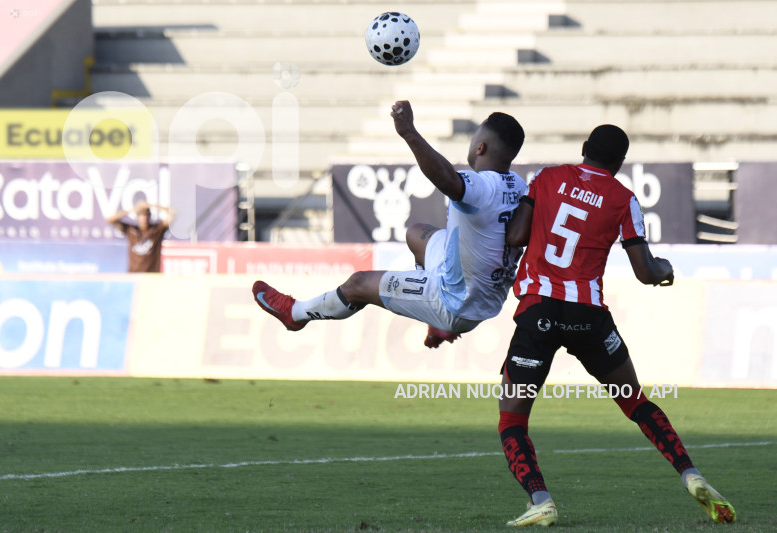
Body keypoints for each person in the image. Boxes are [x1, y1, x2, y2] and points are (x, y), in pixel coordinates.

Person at [498, 125, 736, 527]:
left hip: (538, 312)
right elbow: (645, 271)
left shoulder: (546, 178)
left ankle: (541, 500)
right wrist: (665, 271)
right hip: (589, 317)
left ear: (585, 149)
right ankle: (689, 473)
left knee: (513, 419)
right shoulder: (624, 199)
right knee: (634, 400)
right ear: (619, 163)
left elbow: (516, 236)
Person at [253, 100, 527, 348]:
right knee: (417, 233)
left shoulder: (481, 186)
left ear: (480, 147)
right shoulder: (518, 186)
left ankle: (295, 314)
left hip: (455, 304)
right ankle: (432, 316)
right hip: (487, 298)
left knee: (359, 284)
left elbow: (447, 180)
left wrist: (408, 131)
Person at [107, 200, 174, 273]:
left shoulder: (157, 229)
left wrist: (151, 205)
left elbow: (173, 213)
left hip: (151, 275)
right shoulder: (131, 229)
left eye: (146, 215)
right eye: (142, 215)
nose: (144, 218)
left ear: (150, 216)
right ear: (137, 217)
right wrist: (133, 209)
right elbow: (111, 219)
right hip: (133, 274)